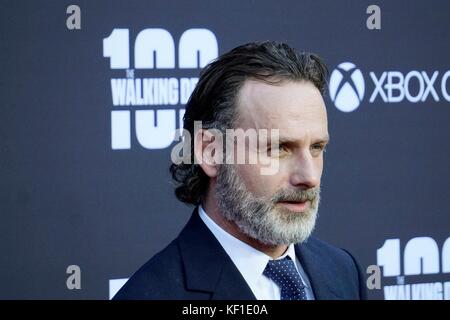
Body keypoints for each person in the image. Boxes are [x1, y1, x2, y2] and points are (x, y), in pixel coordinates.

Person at [113, 41, 367, 300]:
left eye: (316, 147)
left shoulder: (343, 271)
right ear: (210, 152)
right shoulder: (150, 294)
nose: (309, 177)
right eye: (279, 148)